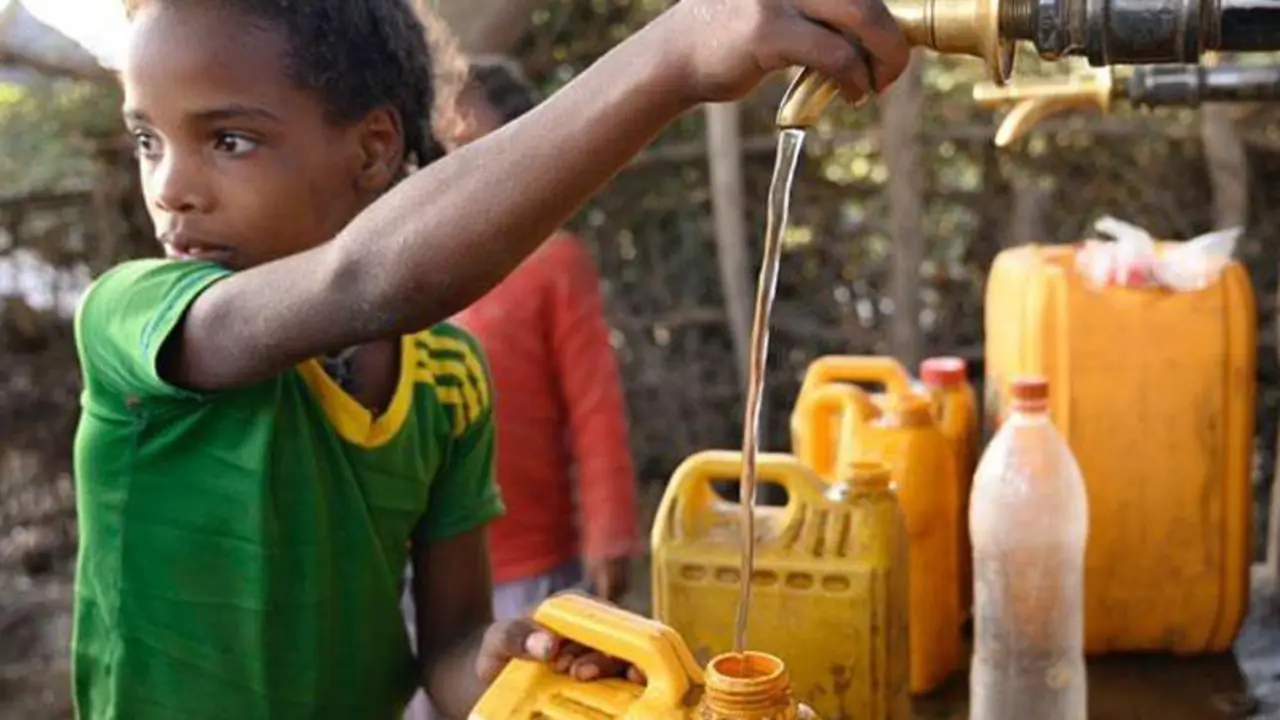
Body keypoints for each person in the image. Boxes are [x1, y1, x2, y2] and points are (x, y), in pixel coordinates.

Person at [70, 0, 910, 718]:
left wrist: (510, 664)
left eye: (228, 141)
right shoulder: (137, 320)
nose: (169, 188)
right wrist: (679, 49)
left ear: (370, 151)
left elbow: (450, 646)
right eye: (148, 140)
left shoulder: (446, 379)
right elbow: (364, 279)